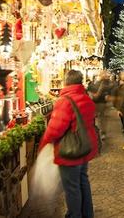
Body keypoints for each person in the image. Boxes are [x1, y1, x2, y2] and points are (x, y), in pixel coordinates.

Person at [39, 70, 98, 218]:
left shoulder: (65, 101)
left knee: (72, 188)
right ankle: (87, 213)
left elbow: (55, 129)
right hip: (85, 147)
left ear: (66, 82)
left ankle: (74, 215)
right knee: (83, 181)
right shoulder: (87, 98)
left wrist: (43, 145)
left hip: (71, 151)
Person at [87, 71, 113, 139]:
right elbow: (89, 89)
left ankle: (102, 132)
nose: (104, 75)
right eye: (103, 74)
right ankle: (95, 132)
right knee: (95, 117)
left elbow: (109, 91)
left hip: (101, 102)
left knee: (101, 118)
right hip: (94, 102)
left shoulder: (106, 83)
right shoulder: (95, 82)